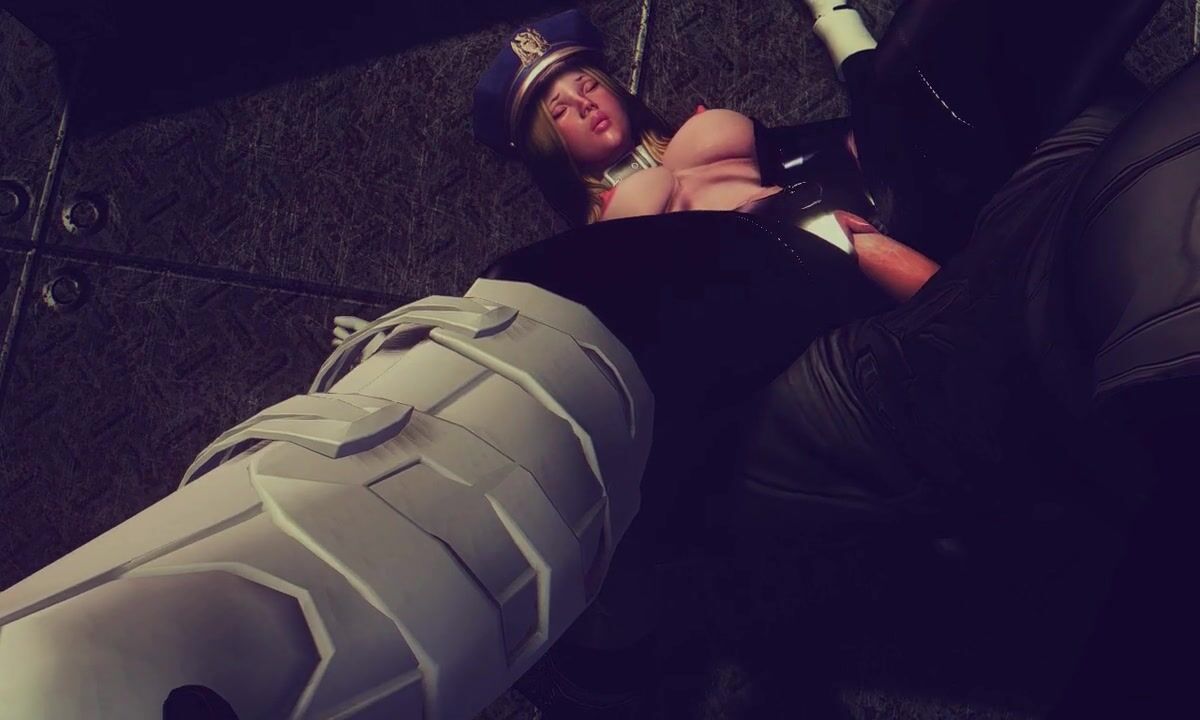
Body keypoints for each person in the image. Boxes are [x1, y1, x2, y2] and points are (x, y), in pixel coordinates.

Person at [463, 1, 1191, 718]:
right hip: (764, 304)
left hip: (840, 233)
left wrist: (869, 126)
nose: (585, 102)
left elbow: (828, 150)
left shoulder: (693, 136)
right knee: (916, 272)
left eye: (588, 83)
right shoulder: (596, 238)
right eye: (561, 110)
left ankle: (981, 299)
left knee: (935, 102)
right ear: (549, 149)